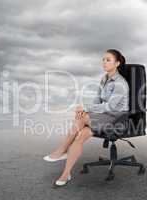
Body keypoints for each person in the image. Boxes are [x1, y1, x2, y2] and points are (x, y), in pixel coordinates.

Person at [43, 49, 130, 187]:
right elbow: (97, 101)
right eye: (103, 59)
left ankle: (62, 149)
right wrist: (86, 110)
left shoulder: (121, 83)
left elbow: (111, 107)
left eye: (108, 60)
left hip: (117, 119)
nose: (104, 62)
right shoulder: (104, 79)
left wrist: (85, 108)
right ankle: (66, 174)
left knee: (83, 117)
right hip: (103, 117)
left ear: (117, 63)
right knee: (81, 134)